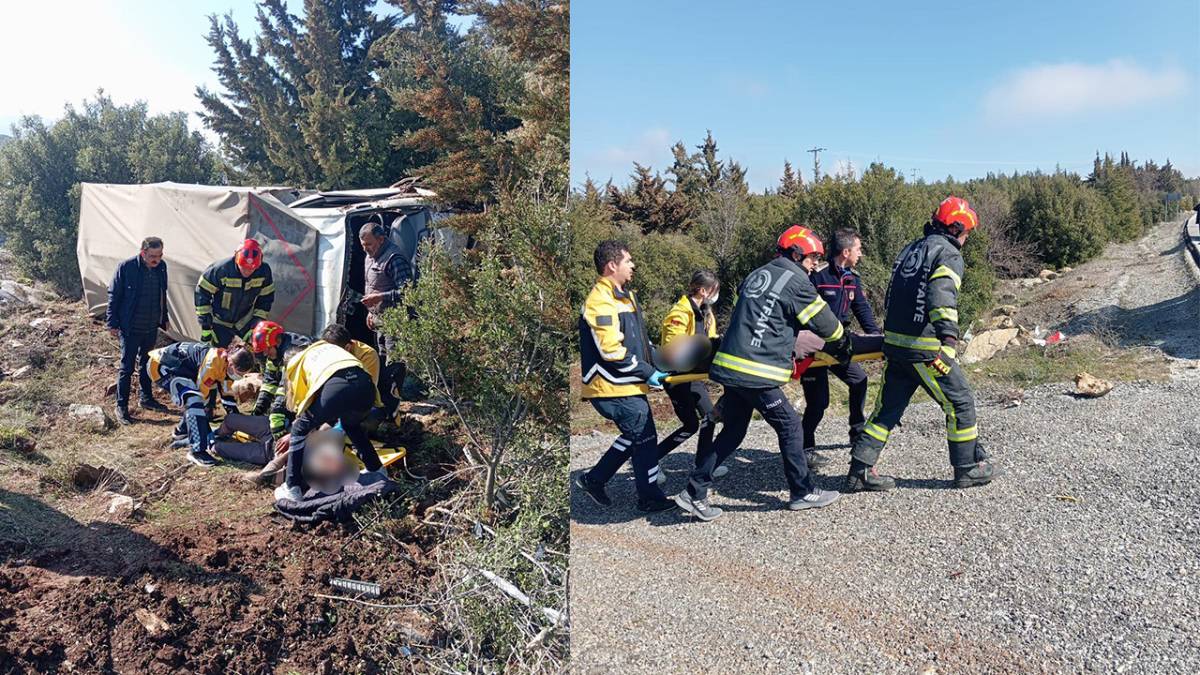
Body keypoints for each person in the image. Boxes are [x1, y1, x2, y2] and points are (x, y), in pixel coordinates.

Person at [676, 225, 851, 521]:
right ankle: (802, 491)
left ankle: (693, 491)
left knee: (734, 429)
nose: (813, 266)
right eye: (811, 259)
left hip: (732, 365)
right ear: (796, 253)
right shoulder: (796, 280)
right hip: (755, 370)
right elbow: (825, 323)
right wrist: (843, 340)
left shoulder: (758, 273)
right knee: (790, 426)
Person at [846, 196, 998, 492]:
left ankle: (859, 470)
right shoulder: (948, 253)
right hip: (925, 348)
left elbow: (893, 295)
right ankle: (967, 468)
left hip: (896, 345)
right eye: (966, 233)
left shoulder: (911, 249)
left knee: (886, 410)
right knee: (960, 402)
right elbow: (942, 296)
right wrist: (949, 340)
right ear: (956, 229)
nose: (967, 239)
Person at [574, 240, 674, 513]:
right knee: (644, 436)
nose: (633, 265)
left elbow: (637, 341)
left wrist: (657, 358)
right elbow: (612, 352)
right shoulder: (599, 300)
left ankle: (594, 479)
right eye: (628, 261)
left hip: (627, 384)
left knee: (635, 435)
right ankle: (649, 497)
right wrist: (648, 372)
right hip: (610, 386)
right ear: (612, 265)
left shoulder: (626, 296)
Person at [800, 228, 881, 468]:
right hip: (813, 348)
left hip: (839, 345)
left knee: (859, 380)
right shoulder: (818, 276)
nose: (861, 253)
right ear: (846, 251)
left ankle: (857, 432)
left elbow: (863, 310)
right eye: (858, 249)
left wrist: (878, 337)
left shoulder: (852, 278)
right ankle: (805, 449)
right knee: (818, 403)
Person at [273, 336, 387, 503]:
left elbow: (301, 401)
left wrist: (303, 422)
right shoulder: (325, 348)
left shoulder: (295, 362)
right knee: (351, 425)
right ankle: (376, 470)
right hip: (366, 386)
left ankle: (292, 488)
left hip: (338, 388)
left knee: (298, 429)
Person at [654, 270, 728, 481]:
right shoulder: (680, 313)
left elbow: (711, 341)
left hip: (693, 376)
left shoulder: (707, 313)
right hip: (677, 377)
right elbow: (673, 349)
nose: (716, 294)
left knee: (710, 417)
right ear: (703, 290)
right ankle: (652, 460)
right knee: (690, 425)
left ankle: (702, 464)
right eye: (714, 290)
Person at [148, 340, 255, 467]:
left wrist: (239, 424)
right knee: (194, 400)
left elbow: (227, 398)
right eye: (239, 373)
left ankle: (181, 431)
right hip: (162, 367)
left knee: (196, 400)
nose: (239, 377)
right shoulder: (213, 363)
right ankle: (197, 451)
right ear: (230, 363)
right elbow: (201, 398)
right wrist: (206, 433)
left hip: (183, 370)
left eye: (243, 375)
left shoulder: (226, 365)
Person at [106, 237, 170, 425]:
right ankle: (122, 406)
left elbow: (162, 294)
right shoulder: (126, 267)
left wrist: (164, 318)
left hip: (151, 326)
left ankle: (146, 398)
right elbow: (114, 295)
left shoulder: (162, 267)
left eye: (159, 255)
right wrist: (112, 323)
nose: (156, 260)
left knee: (148, 364)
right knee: (126, 368)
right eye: (152, 256)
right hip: (130, 327)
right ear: (143, 252)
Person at [359, 217, 412, 417]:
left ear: (381, 239)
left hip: (396, 320)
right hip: (378, 319)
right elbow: (371, 286)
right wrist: (370, 312)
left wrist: (380, 297)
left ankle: (393, 407)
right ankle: (382, 403)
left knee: (394, 363)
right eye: (363, 245)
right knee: (381, 360)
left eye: (369, 244)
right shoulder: (369, 257)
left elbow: (409, 291)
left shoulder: (394, 258)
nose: (366, 249)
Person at [195, 239, 274, 347]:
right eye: (244, 268)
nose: (247, 272)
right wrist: (206, 325)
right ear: (236, 259)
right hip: (220, 320)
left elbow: (266, 298)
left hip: (245, 320)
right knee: (220, 355)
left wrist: (256, 322)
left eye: (252, 269)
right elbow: (202, 294)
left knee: (247, 356)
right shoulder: (220, 270)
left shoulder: (264, 272)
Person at [247, 320, 313, 441]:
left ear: (277, 341)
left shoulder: (296, 350)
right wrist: (259, 409)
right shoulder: (275, 352)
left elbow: (287, 386)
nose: (266, 355)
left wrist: (276, 413)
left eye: (267, 350)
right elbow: (269, 382)